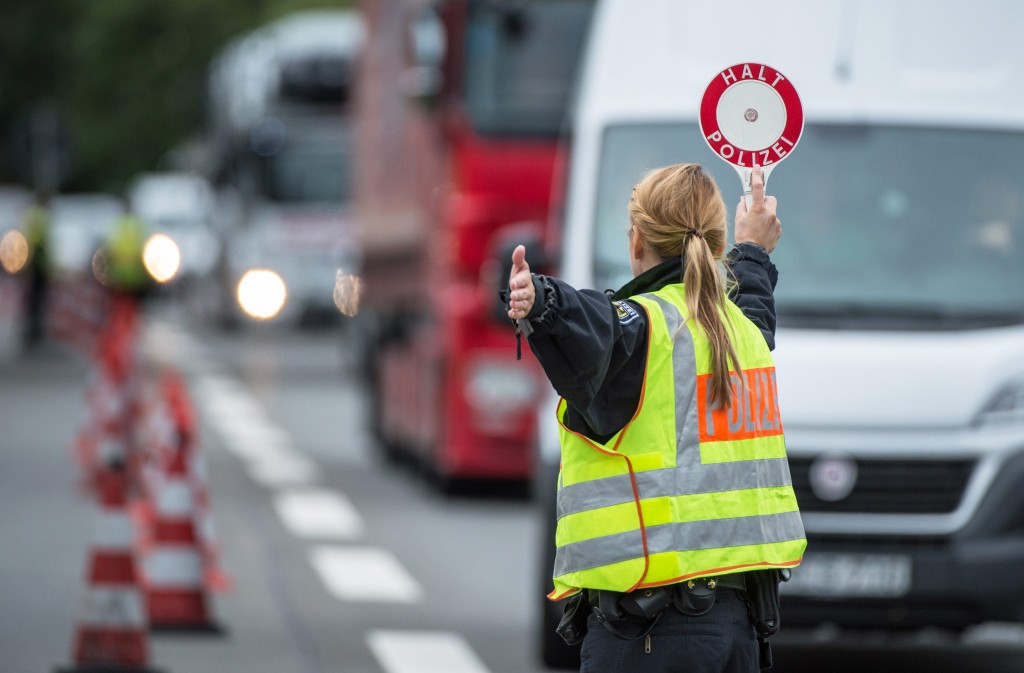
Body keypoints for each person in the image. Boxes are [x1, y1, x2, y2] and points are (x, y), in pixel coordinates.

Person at [506, 164, 805, 672]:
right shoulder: (742, 335)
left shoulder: (646, 329)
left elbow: (598, 322)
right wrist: (752, 250)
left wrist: (540, 301)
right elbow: (753, 305)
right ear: (714, 240)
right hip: (736, 635)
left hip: (650, 637)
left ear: (636, 240)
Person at [20, 190, 53, 350]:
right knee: (36, 299)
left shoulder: (31, 214)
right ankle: (33, 331)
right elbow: (41, 243)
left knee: (32, 299)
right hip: (37, 265)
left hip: (32, 264)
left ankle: (31, 330)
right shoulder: (40, 215)